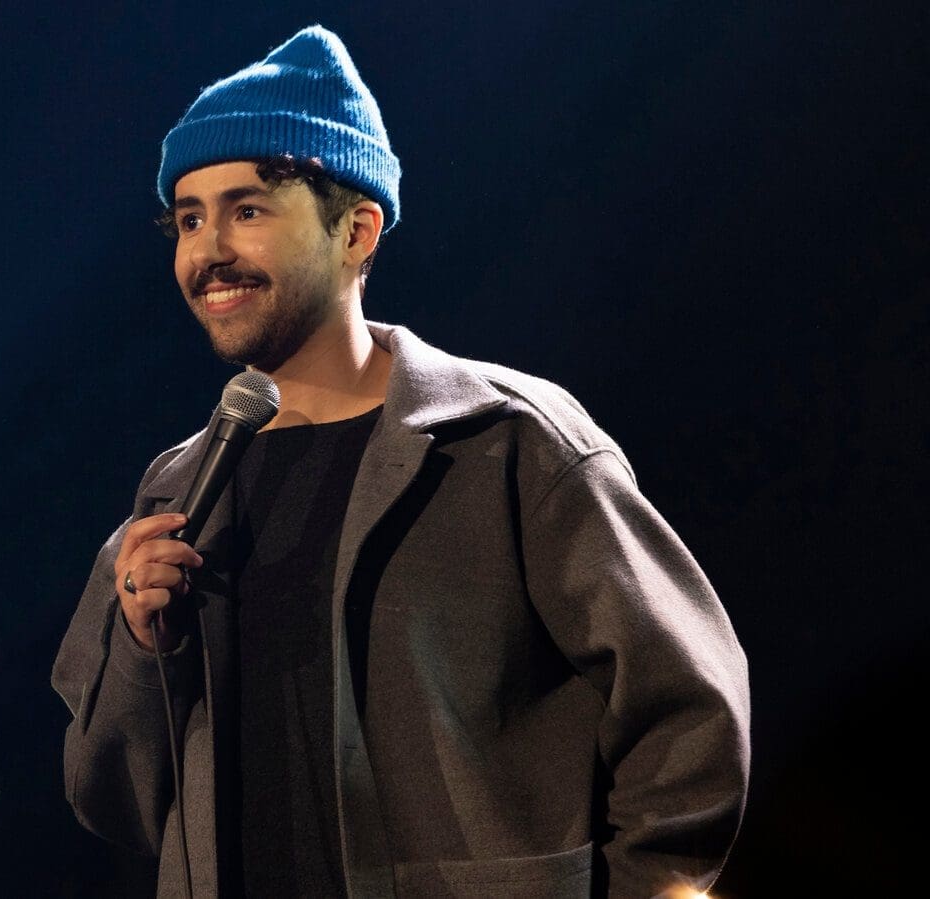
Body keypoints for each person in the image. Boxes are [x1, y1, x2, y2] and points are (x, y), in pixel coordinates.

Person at [52, 25, 749, 899]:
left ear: (356, 231)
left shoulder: (504, 441)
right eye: (189, 219)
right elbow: (110, 802)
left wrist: (652, 886)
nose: (208, 249)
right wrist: (139, 647)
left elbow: (688, 708)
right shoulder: (175, 491)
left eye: (248, 210)